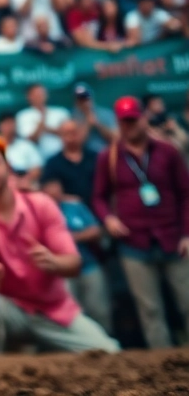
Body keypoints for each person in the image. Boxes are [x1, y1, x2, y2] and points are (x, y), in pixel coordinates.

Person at [0, 130, 119, 354]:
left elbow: (73, 262)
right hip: (8, 309)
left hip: (54, 311)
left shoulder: (40, 204)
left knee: (109, 353)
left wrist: (54, 262)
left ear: (7, 165)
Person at [93, 96, 189, 349]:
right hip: (133, 242)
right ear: (118, 123)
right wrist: (108, 219)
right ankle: (164, 368)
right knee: (150, 311)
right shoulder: (109, 157)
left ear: (143, 118)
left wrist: (187, 234)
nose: (129, 126)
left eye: (133, 120)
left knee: (187, 302)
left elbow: (186, 193)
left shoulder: (168, 151)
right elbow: (99, 197)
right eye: (124, 122)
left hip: (173, 237)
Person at [42, 180, 112, 333]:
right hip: (61, 273)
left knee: (100, 311)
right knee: (71, 315)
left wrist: (67, 238)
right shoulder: (41, 212)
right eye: (49, 186)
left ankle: (105, 345)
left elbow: (95, 230)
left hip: (89, 265)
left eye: (56, 185)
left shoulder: (75, 206)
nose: (54, 189)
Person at [41, 119, 98, 210]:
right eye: (67, 133)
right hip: (70, 212)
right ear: (61, 136)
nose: (72, 136)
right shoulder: (53, 163)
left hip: (99, 207)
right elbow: (50, 193)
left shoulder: (96, 157)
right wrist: (69, 200)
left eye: (74, 132)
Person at [15, 84, 70, 161]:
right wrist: (43, 119)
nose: (40, 97)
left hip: (62, 158)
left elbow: (69, 134)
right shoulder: (23, 116)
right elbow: (31, 139)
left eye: (42, 93)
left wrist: (45, 128)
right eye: (36, 94)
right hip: (37, 161)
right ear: (29, 97)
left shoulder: (61, 112)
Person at [72, 82, 116, 149]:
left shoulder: (105, 113)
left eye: (86, 98)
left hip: (106, 153)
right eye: (80, 99)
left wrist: (98, 124)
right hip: (86, 157)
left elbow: (116, 138)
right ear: (76, 101)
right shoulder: (73, 118)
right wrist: (88, 123)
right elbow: (76, 144)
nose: (84, 102)